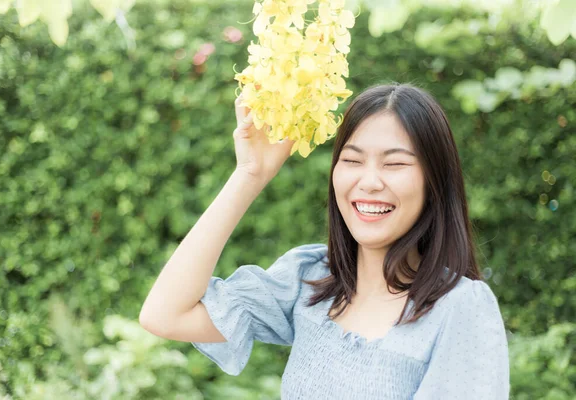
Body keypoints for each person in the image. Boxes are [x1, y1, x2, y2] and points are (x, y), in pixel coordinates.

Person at [139, 83, 510, 399]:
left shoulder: (460, 309)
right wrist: (249, 175)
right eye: (352, 160)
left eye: (394, 164)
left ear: (434, 182)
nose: (369, 181)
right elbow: (164, 315)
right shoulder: (310, 281)